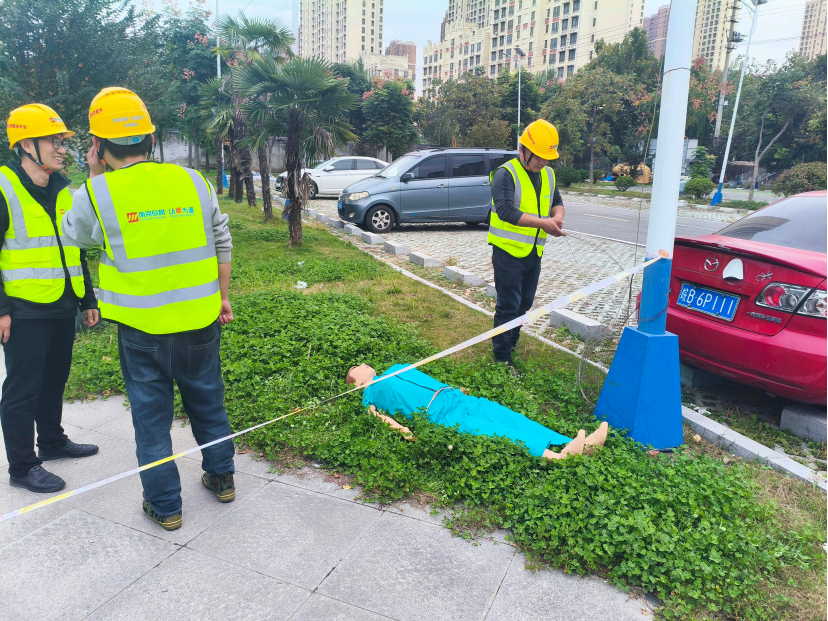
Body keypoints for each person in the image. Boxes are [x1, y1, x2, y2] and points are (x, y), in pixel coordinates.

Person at [63, 87, 235, 532]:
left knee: (151, 419)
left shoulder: (95, 193)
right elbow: (221, 240)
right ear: (151, 139)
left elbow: (76, 237)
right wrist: (222, 296)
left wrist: (95, 177)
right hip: (200, 322)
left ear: (97, 146)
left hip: (141, 332)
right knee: (208, 403)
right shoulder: (193, 181)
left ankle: (166, 506)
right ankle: (222, 478)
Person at [0, 104, 100, 494]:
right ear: (27, 145)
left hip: (62, 304)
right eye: (54, 142)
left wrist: (86, 299)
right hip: (24, 309)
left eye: (63, 142)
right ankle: (23, 467)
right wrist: (1, 310)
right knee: (22, 390)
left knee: (54, 380)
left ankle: (53, 442)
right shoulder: (4, 188)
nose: (62, 149)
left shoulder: (62, 190)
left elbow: (75, 249)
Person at [346, 364, 608, 460]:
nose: (363, 364)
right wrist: (402, 429)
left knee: (510, 417)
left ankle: (572, 442)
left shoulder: (395, 367)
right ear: (356, 383)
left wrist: (454, 389)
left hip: (456, 397)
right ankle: (559, 457)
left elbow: (425, 380)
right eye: (357, 367)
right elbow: (376, 416)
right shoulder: (369, 393)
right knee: (498, 432)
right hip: (440, 415)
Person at [488, 119, 565, 366]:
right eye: (539, 157)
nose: (543, 162)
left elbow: (557, 202)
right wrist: (543, 224)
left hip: (533, 252)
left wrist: (557, 217)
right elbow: (505, 211)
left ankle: (511, 344)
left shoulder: (548, 174)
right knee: (508, 306)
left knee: (524, 304)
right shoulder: (505, 173)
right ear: (523, 149)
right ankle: (502, 358)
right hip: (507, 253)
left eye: (547, 158)